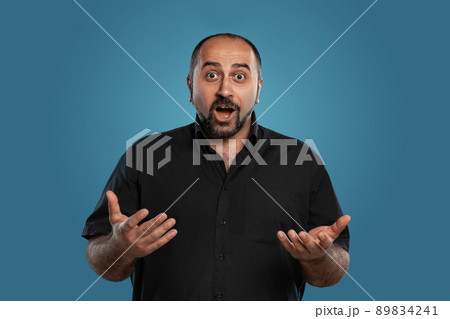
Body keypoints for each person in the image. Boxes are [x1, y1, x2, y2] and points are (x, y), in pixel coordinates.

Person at [81, 33, 350, 301]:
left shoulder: (302, 161)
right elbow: (104, 264)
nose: (224, 89)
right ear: (190, 86)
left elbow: (331, 273)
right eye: (211, 75)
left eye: (240, 76)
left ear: (258, 90)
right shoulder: (145, 155)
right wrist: (118, 247)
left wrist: (319, 259)